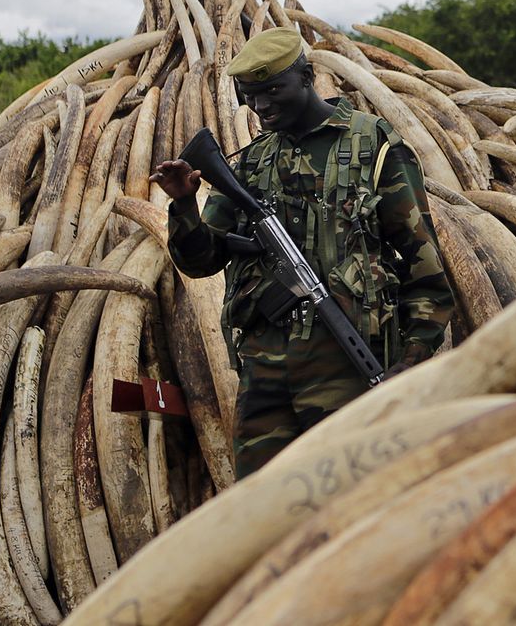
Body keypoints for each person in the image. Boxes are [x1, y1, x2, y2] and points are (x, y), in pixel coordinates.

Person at [151, 27, 456, 477]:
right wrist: (182, 203)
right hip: (264, 375)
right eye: (251, 96)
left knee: (352, 502)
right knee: (263, 511)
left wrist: (409, 362)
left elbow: (424, 269)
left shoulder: (372, 146)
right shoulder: (249, 164)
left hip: (348, 366)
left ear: (308, 76)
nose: (262, 106)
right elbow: (201, 262)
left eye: (275, 89)